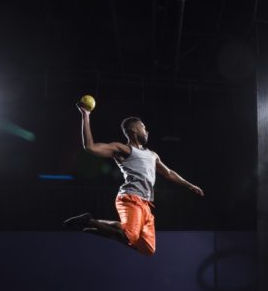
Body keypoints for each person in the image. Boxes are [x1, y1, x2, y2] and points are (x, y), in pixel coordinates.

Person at [63, 103, 204, 256]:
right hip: (130, 197)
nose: (147, 131)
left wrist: (189, 185)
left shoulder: (152, 154)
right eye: (143, 127)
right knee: (130, 235)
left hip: (146, 203)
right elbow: (90, 147)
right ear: (133, 130)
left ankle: (103, 228)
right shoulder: (123, 149)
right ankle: (89, 221)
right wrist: (86, 115)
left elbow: (169, 173)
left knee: (148, 249)